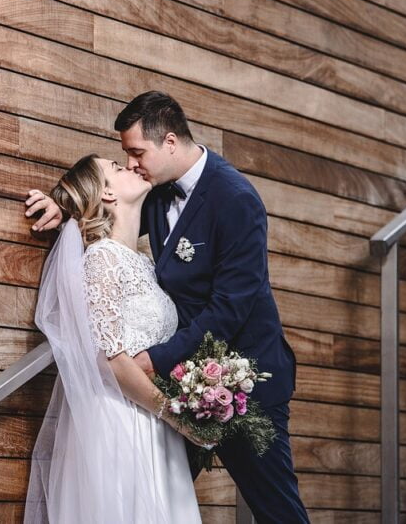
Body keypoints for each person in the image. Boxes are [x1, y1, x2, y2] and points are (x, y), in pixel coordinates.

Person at [26, 91, 309, 523]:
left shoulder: (235, 198)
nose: (132, 163)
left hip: (247, 381)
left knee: (276, 509)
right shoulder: (154, 193)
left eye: (137, 153)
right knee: (152, 501)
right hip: (175, 392)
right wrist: (61, 203)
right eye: (126, 156)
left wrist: (154, 360)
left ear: (170, 143)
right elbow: (102, 198)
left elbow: (232, 306)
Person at [24, 154, 203, 524]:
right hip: (123, 422)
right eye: (118, 168)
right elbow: (110, 359)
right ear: (105, 192)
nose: (131, 166)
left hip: (154, 424)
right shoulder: (101, 259)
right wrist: (178, 417)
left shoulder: (147, 263)